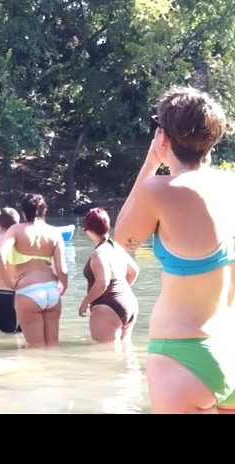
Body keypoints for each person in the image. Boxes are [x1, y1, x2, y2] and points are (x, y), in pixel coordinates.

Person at [115, 85, 235, 414]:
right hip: (230, 346)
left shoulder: (161, 190)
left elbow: (124, 237)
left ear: (164, 136)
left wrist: (153, 161)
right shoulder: (229, 185)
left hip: (183, 352)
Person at [0, 193, 68, 347]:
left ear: (23, 212)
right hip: (52, 291)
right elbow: (63, 269)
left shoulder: (15, 230)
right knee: (52, 348)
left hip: (28, 291)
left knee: (36, 350)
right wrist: (64, 285)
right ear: (44, 211)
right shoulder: (55, 233)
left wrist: (9, 282)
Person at [78, 207, 140, 343]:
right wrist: (122, 293)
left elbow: (102, 283)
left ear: (88, 229)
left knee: (104, 355)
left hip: (107, 307)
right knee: (125, 350)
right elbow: (134, 271)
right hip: (129, 303)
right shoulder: (116, 247)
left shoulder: (99, 253)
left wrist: (85, 303)